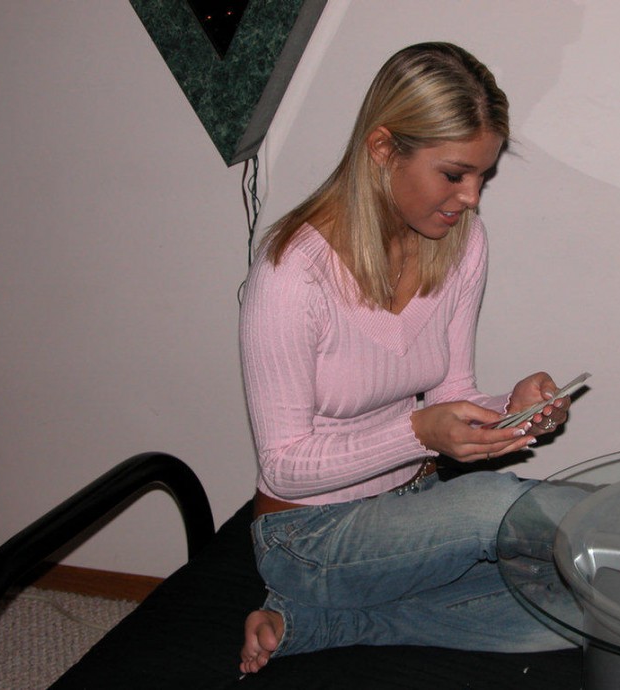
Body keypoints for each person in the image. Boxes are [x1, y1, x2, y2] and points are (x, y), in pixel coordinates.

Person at [238, 42, 583, 675]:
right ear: (382, 149)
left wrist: (513, 407)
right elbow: (283, 467)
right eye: (455, 173)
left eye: (484, 173)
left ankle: (322, 623)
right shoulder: (290, 274)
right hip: (308, 540)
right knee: (499, 510)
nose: (472, 197)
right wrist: (418, 432)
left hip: (406, 515)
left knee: (582, 608)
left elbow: (454, 389)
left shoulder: (459, 242)